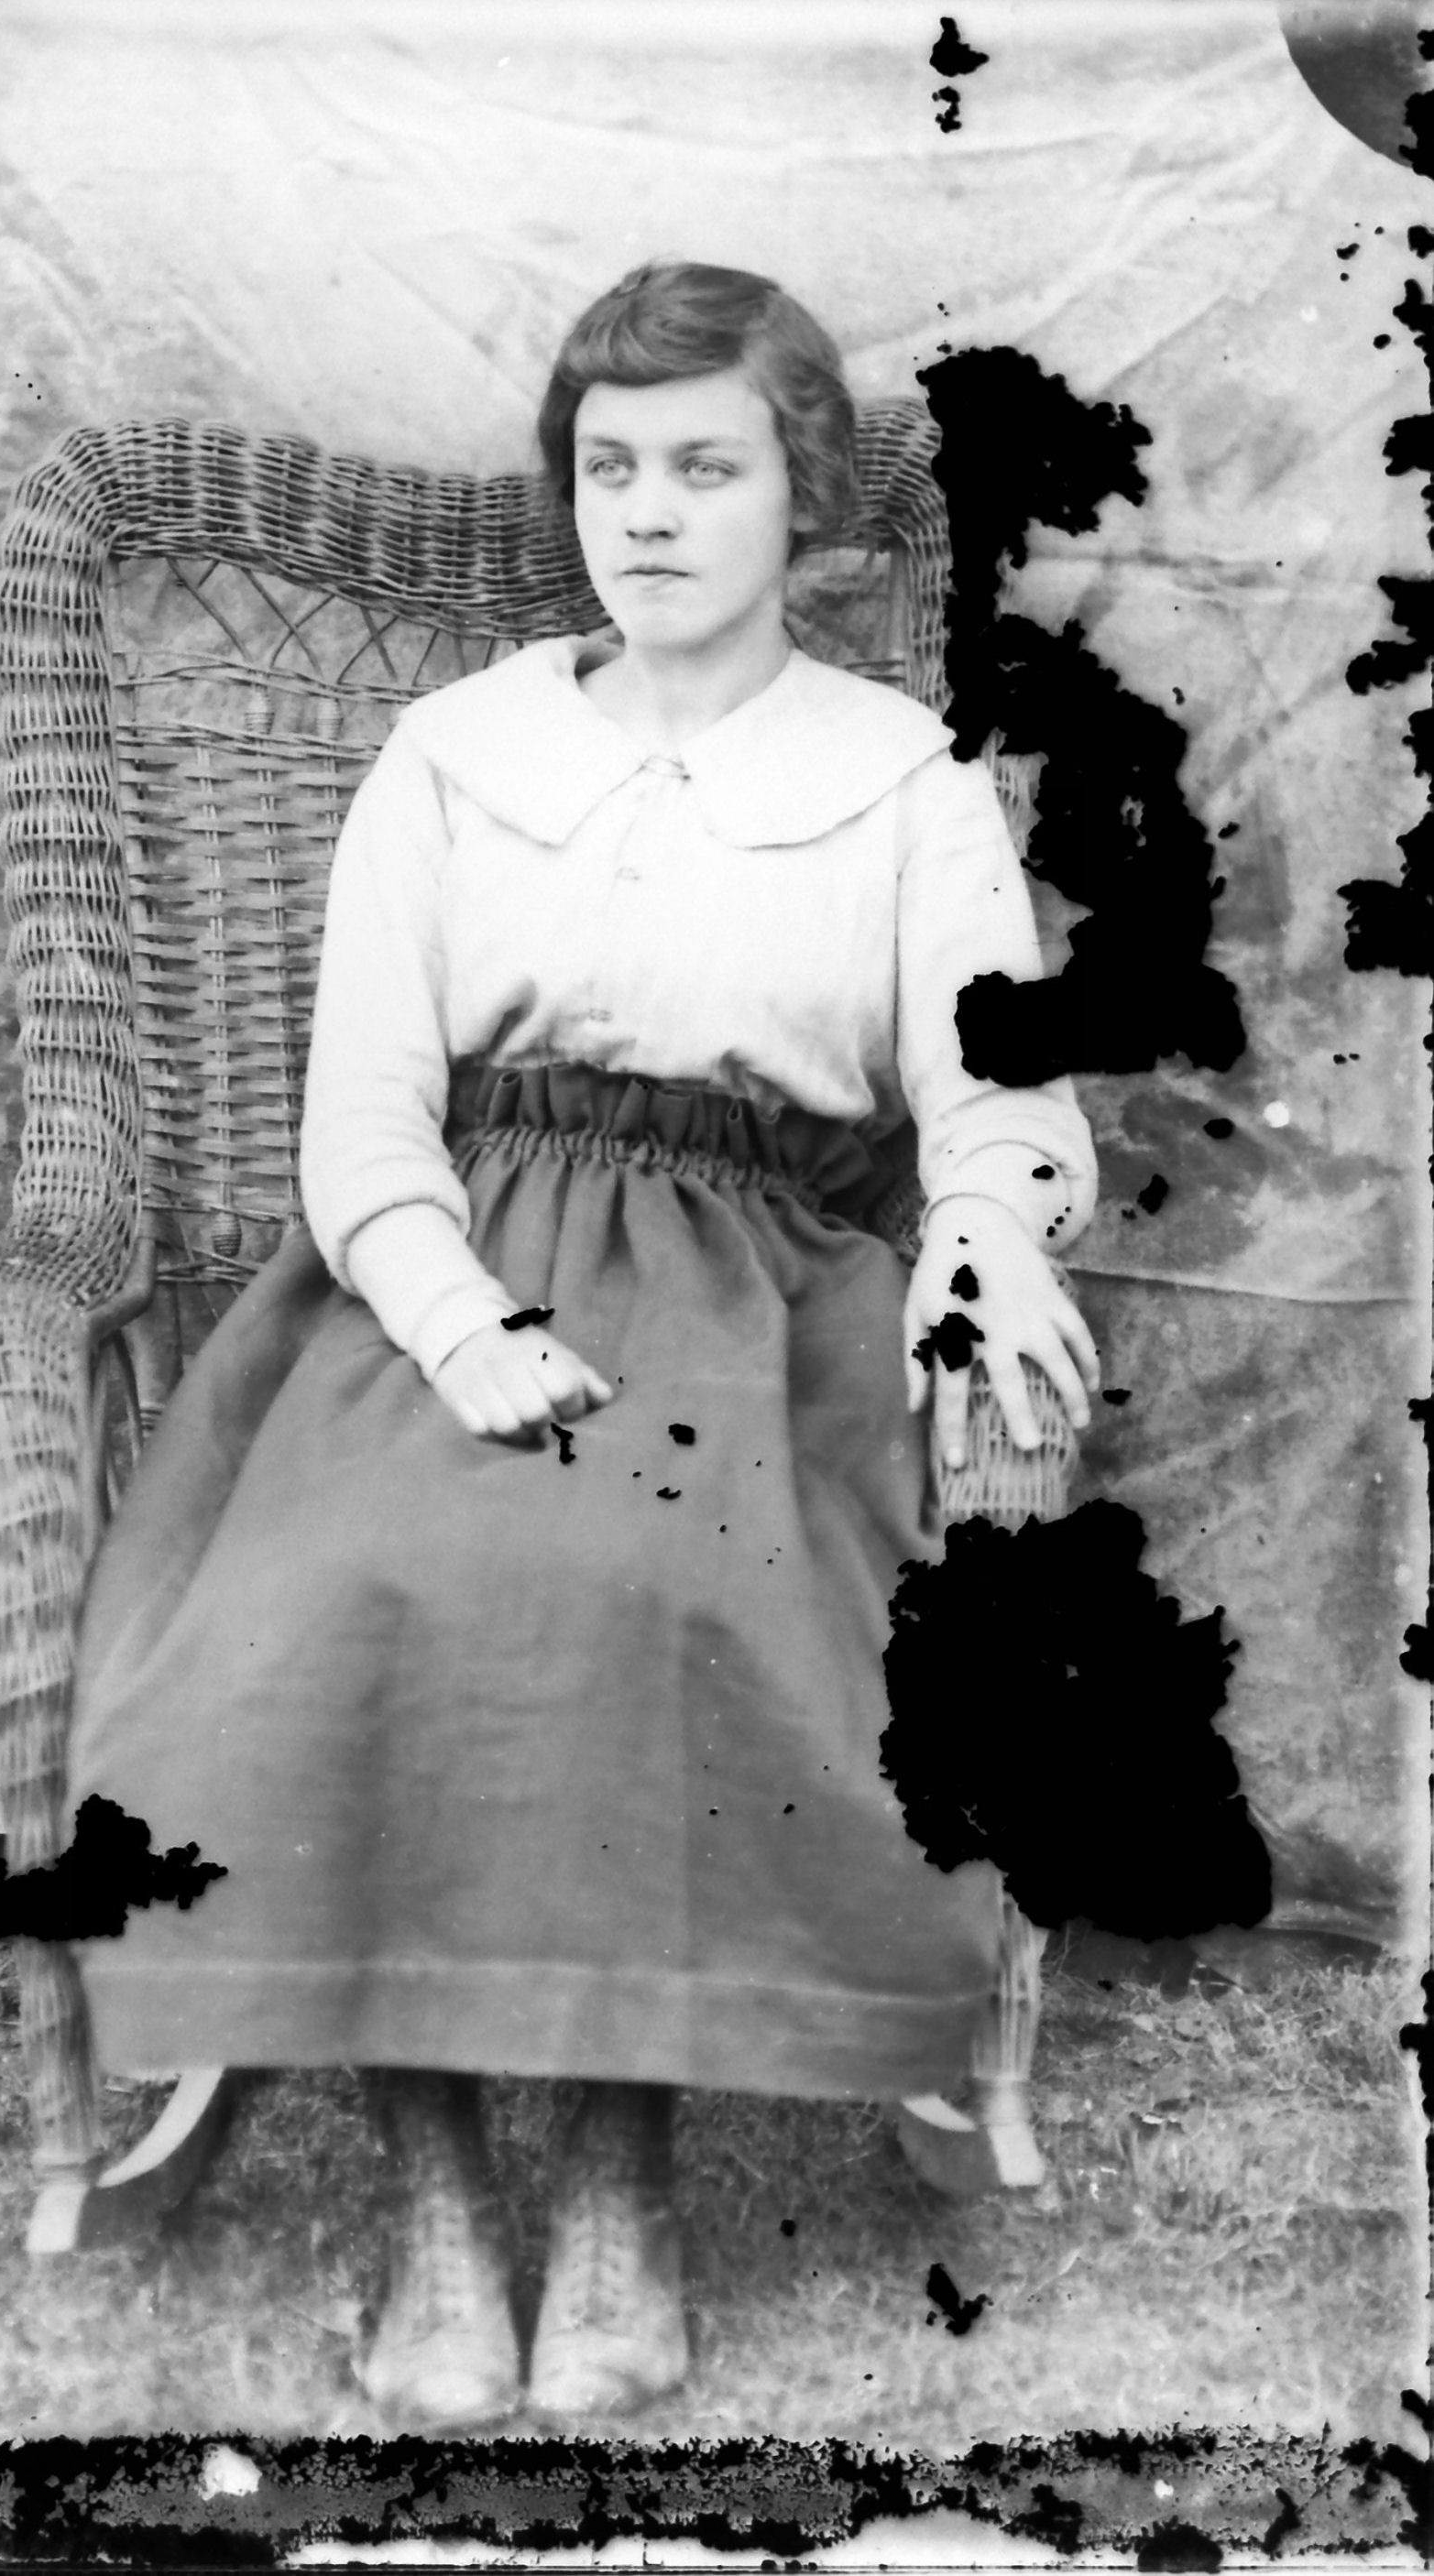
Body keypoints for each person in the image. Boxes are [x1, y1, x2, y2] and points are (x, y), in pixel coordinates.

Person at [63, 258, 1100, 2431]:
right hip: (435, 1265)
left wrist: (990, 1236)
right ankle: (436, 2186)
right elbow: (362, 1112)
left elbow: (995, 1089)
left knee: (657, 1579)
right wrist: (456, 1320)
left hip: (756, 1287)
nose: (647, 512)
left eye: (704, 468)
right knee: (362, 1576)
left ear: (800, 496)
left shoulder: (901, 777)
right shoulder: (457, 753)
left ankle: (623, 2178)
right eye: (610, 467)